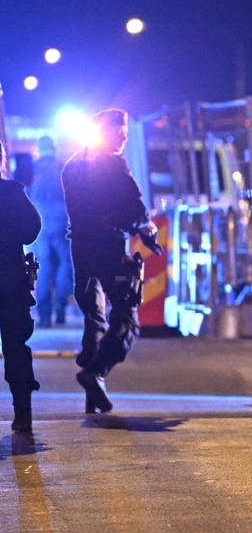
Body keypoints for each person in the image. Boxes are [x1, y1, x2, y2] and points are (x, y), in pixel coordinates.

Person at [62, 109, 160, 413]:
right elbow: (132, 206)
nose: (124, 136)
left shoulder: (71, 165)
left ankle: (92, 397)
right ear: (106, 130)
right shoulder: (112, 164)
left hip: (80, 247)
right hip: (108, 245)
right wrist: (146, 230)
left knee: (94, 318)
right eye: (120, 130)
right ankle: (96, 373)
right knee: (127, 316)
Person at [0, 142, 43, 433]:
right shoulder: (12, 191)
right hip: (10, 279)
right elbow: (32, 228)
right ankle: (23, 414)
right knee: (16, 345)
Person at [29, 136, 73, 327]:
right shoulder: (63, 168)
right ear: (54, 149)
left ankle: (45, 316)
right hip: (62, 220)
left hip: (39, 222)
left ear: (39, 149)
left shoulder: (31, 169)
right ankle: (61, 309)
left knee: (43, 267)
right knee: (65, 264)